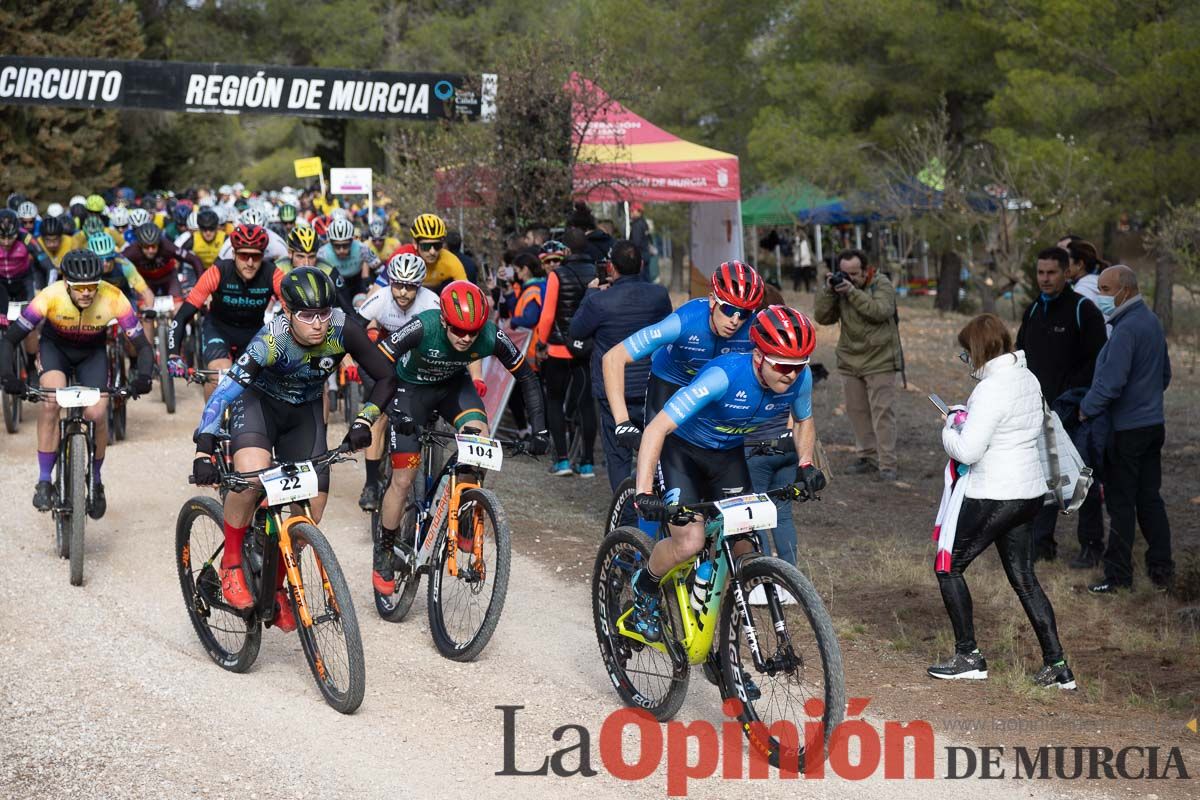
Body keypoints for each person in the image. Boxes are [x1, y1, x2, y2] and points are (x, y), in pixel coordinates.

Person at [190, 267, 395, 631]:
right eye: (306, 315)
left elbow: (385, 376)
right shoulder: (271, 340)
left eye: (323, 314)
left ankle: (278, 584)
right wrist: (204, 448)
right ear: (287, 312)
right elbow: (225, 391)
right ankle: (232, 563)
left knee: (311, 508)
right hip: (258, 406)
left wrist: (364, 419)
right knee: (251, 478)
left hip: (304, 414)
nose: (317, 324)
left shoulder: (342, 328)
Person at [629, 306, 825, 643]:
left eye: (799, 365)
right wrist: (643, 491)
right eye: (782, 365)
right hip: (682, 451)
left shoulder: (799, 379)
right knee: (689, 541)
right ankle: (644, 586)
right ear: (759, 355)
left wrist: (805, 463)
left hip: (728, 455)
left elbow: (804, 420)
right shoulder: (722, 376)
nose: (791, 375)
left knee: (744, 550)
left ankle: (725, 656)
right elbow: (657, 427)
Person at [372, 281, 549, 593]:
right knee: (403, 477)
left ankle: (466, 510)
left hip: (453, 389)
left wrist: (540, 429)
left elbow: (527, 377)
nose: (467, 338)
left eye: (473, 332)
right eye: (458, 331)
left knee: (479, 439)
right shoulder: (422, 327)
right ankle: (384, 550)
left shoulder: (491, 335)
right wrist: (392, 412)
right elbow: (375, 363)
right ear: (443, 320)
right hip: (410, 391)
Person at [931, 313, 1075, 690]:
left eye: (966, 355)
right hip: (1029, 493)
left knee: (948, 567)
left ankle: (968, 657)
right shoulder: (1027, 377)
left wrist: (950, 426)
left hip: (994, 493)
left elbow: (968, 451)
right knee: (1025, 579)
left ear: (978, 351)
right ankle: (1057, 665)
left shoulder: (991, 389)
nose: (966, 363)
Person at [0, 250, 154, 518]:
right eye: (79, 287)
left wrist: (143, 376)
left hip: (91, 355)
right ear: (66, 283)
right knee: (50, 402)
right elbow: (11, 339)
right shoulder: (50, 296)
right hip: (55, 350)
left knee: (97, 413)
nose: (86, 293)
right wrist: (7, 376)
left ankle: (95, 480)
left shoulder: (113, 297)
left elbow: (141, 345)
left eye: (91, 287)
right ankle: (45, 480)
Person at [1081, 266, 1174, 594]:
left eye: (1105, 289)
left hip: (1126, 430)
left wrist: (1085, 409)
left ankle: (1118, 576)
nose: (1101, 295)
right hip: (1152, 425)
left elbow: (1111, 383)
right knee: (1150, 498)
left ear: (1125, 290)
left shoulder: (1126, 330)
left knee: (1121, 503)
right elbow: (1164, 375)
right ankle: (1161, 568)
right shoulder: (1151, 322)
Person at [603, 261, 764, 448]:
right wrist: (623, 422)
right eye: (728, 309)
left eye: (744, 313)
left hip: (714, 389)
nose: (735, 321)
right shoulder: (685, 322)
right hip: (670, 382)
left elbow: (792, 372)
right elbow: (613, 357)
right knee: (660, 450)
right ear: (712, 300)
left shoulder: (754, 328)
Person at [1015, 246, 1108, 565]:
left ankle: (1092, 547)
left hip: (1075, 411)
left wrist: (1073, 398)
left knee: (1083, 478)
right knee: (1042, 476)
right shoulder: (1033, 311)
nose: (1045, 279)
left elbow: (1100, 360)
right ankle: (1042, 544)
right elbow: (1020, 355)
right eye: (1040, 272)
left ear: (1066, 272)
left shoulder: (1084, 310)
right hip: (1038, 410)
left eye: (1052, 272)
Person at [570, 240, 672, 493]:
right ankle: (657, 503)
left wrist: (591, 293)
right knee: (657, 449)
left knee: (618, 456)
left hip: (613, 390)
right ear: (641, 264)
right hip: (652, 385)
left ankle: (625, 515)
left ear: (611, 268)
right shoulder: (659, 295)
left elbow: (577, 330)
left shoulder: (599, 301)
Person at [353, 252, 440, 511]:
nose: (402, 292)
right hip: (385, 358)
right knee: (378, 415)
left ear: (420, 286)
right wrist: (349, 362)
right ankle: (371, 483)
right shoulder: (380, 299)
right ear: (389, 282)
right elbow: (354, 332)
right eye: (397, 284)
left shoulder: (431, 303)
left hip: (417, 358)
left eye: (410, 286)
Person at [813, 249, 902, 481]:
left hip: (880, 359)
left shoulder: (881, 284)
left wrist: (852, 293)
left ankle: (888, 464)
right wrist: (828, 291)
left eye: (854, 273)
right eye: (845, 273)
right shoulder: (840, 289)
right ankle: (867, 457)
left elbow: (880, 311)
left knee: (882, 413)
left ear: (866, 270)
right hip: (850, 359)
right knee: (857, 412)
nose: (850, 278)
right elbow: (822, 317)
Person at [167, 225, 283, 399]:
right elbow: (183, 316)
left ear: (263, 256)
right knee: (218, 375)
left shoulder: (273, 274)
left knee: (258, 384)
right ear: (234, 254)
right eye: (244, 255)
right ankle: (211, 425)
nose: (250, 263)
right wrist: (173, 353)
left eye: (256, 256)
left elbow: (293, 312)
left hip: (252, 333)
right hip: (218, 329)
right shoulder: (218, 272)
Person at [535, 229, 598, 477]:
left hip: (559, 350)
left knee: (554, 402)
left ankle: (562, 460)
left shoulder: (557, 275)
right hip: (586, 350)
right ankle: (587, 463)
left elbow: (548, 314)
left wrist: (541, 342)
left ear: (567, 250)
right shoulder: (596, 273)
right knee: (585, 405)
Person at [318, 217, 379, 309]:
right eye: (337, 246)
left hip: (356, 284)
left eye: (345, 245)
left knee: (362, 306)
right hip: (334, 287)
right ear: (330, 242)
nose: (341, 250)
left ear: (352, 241)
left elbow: (378, 269)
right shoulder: (323, 254)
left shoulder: (362, 248)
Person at [406, 213, 466, 290]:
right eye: (426, 246)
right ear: (415, 243)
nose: (432, 252)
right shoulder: (404, 257)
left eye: (437, 245)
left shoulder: (451, 261)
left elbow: (465, 290)